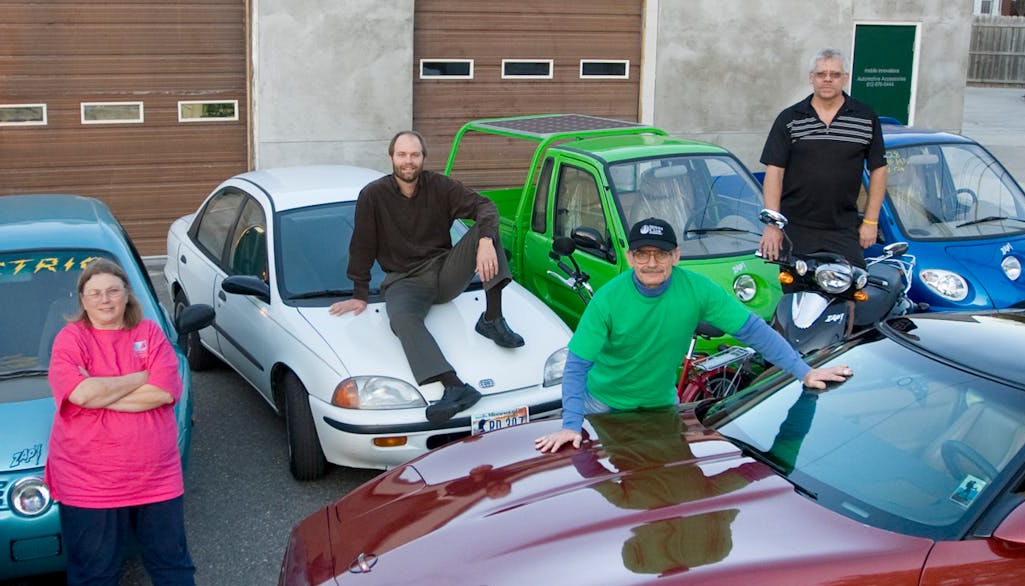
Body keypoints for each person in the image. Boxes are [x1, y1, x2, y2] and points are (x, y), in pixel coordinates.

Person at [45, 259, 228, 586]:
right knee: (94, 576)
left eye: (113, 290)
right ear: (83, 301)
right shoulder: (71, 340)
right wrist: (135, 379)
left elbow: (165, 392)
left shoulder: (149, 331)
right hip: (87, 482)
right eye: (95, 293)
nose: (105, 300)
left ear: (127, 293)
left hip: (154, 477)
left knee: (172, 564)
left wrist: (103, 389)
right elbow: (78, 395)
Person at [533, 219, 851, 454]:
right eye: (642, 254)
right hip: (601, 403)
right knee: (590, 479)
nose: (652, 262)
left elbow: (753, 330)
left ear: (676, 256)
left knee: (672, 481)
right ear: (630, 258)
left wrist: (804, 371)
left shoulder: (698, 289)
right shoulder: (608, 299)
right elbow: (576, 367)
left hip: (659, 406)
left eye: (661, 253)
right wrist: (570, 425)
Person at [331, 130, 525, 424]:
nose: (408, 161)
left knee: (486, 228)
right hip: (403, 280)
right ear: (391, 158)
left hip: (444, 270)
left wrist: (485, 241)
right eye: (402, 155)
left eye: (414, 155)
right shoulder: (373, 195)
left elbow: (486, 206)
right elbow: (362, 244)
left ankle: (492, 319)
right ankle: (455, 387)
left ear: (423, 158)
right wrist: (359, 293)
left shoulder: (440, 187)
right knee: (402, 320)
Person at [757, 49, 890, 265]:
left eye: (835, 74)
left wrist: (871, 221)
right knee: (798, 297)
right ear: (812, 77)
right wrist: (773, 225)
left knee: (849, 294)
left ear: (845, 78)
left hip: (843, 229)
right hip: (795, 228)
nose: (827, 79)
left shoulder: (865, 118)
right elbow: (775, 171)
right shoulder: (790, 118)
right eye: (821, 74)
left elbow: (879, 169)